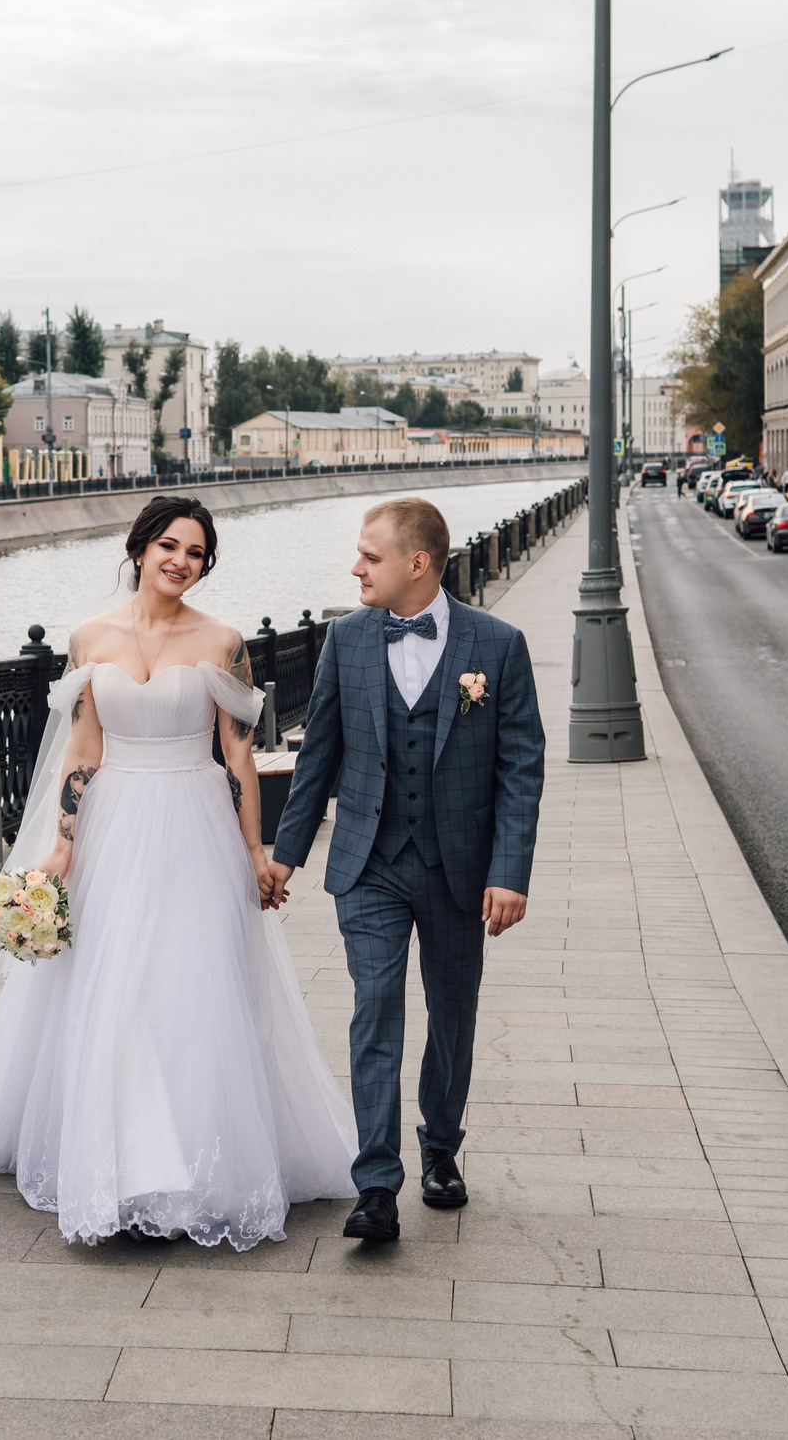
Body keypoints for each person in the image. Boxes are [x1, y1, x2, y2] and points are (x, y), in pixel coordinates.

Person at [0, 496, 356, 1249]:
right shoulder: (88, 637)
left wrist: (255, 853)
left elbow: (237, 758)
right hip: (115, 822)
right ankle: (125, 1163)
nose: (180, 561)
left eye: (195, 553)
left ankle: (196, 1164)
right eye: (169, 544)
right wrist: (63, 845)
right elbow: (82, 750)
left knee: (189, 984)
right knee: (115, 983)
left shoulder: (223, 641)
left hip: (195, 822)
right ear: (139, 547)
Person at [267, 497, 546, 1243]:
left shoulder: (499, 644)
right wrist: (283, 855)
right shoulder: (345, 641)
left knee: (453, 1013)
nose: (356, 567)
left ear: (417, 564)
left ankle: (442, 1147)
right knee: (376, 1006)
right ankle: (377, 1182)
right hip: (369, 862)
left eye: (370, 555)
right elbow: (317, 756)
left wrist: (510, 870)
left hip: (460, 866)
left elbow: (522, 766)